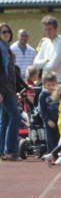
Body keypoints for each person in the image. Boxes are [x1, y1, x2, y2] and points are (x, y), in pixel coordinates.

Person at [0, 22, 21, 161]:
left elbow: (14, 73)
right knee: (16, 116)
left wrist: (22, 88)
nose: (7, 33)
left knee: (5, 120)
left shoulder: (8, 49)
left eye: (8, 31)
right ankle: (11, 150)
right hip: (4, 89)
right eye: (3, 31)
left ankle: (2, 150)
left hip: (10, 89)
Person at [33, 16, 61, 83]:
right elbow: (35, 64)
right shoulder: (45, 42)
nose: (47, 32)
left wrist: (42, 66)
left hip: (58, 81)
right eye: (45, 29)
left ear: (56, 29)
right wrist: (45, 61)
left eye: (50, 29)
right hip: (46, 81)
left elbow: (53, 66)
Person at [38, 71, 61, 158]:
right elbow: (41, 109)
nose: (51, 87)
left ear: (56, 83)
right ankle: (52, 155)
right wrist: (47, 120)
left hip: (59, 120)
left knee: (60, 138)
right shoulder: (43, 95)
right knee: (50, 140)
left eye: (53, 84)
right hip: (49, 122)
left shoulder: (59, 93)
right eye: (48, 85)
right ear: (44, 85)